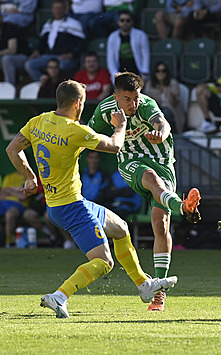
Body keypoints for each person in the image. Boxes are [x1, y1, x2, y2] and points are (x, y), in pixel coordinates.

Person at [5, 80, 179, 318]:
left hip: (62, 203)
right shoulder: (76, 130)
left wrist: (29, 177)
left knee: (120, 229)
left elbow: (12, 149)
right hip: (71, 207)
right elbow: (116, 146)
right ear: (78, 103)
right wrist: (121, 125)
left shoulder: (38, 121)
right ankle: (60, 296)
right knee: (104, 262)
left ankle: (144, 285)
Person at [88, 72, 202, 312]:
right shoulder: (104, 111)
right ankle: (182, 207)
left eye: (136, 98)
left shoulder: (147, 104)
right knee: (149, 178)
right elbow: (88, 137)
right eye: (127, 99)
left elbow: (164, 123)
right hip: (130, 162)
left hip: (162, 161)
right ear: (115, 96)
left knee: (160, 225)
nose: (133, 104)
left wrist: (161, 133)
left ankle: (158, 294)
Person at [24, 0, 85, 82]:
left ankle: (56, 88)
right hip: (48, 56)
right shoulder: (48, 24)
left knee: (59, 66)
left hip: (65, 58)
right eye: (55, 8)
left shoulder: (73, 24)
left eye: (60, 8)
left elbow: (81, 44)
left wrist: (71, 54)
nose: (57, 11)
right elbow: (42, 42)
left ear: (65, 9)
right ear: (52, 9)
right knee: (29, 65)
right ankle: (44, 86)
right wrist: (37, 51)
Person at [106, 10, 150, 83]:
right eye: (122, 20)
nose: (125, 23)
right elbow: (110, 59)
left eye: (128, 20)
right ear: (118, 22)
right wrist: (114, 75)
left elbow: (145, 55)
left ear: (132, 22)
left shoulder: (141, 35)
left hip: (137, 74)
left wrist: (144, 72)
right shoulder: (112, 37)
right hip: (120, 75)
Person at [143, 61, 186, 133]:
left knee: (166, 112)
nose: (161, 73)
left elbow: (176, 100)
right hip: (156, 111)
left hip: (172, 110)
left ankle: (169, 133)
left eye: (163, 71)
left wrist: (173, 96)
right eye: (158, 71)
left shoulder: (172, 83)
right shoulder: (150, 84)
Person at [0, 15, 31, 85]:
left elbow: (12, 50)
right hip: (3, 57)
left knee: (6, 59)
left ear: (1, 18)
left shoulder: (10, 28)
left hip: (22, 57)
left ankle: (10, 87)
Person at [0, 171, 28, 248]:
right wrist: (16, 193)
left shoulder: (28, 178)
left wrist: (9, 190)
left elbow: (23, 197)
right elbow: (1, 194)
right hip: (3, 203)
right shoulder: (9, 177)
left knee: (9, 215)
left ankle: (8, 242)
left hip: (18, 205)